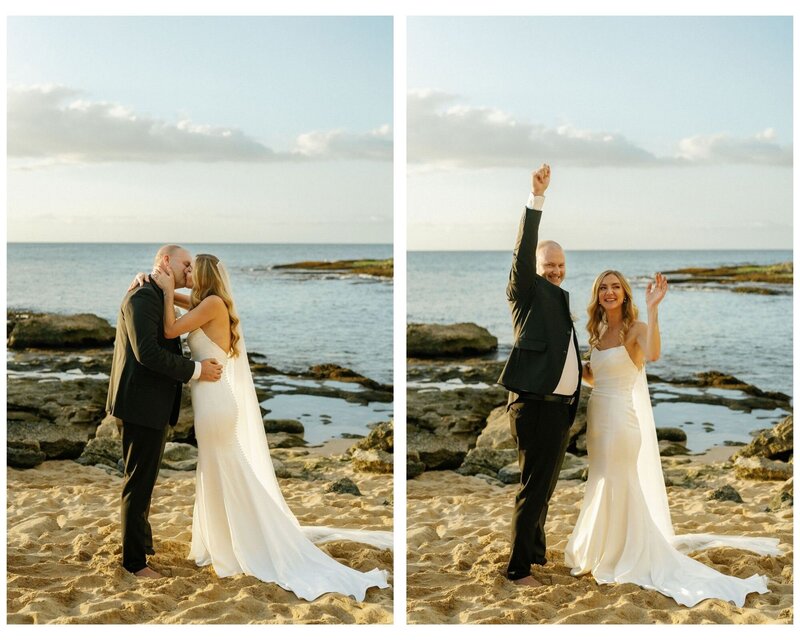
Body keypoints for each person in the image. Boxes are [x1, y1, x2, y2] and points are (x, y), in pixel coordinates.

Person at [140, 253, 391, 601]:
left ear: (201, 275)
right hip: (211, 401)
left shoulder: (211, 304)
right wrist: (157, 285)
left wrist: (165, 290)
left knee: (225, 468)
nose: (185, 274)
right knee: (216, 469)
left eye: (189, 270)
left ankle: (243, 543)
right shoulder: (210, 302)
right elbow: (182, 303)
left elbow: (169, 328)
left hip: (215, 404)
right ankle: (225, 541)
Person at [564, 269, 781, 607]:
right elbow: (597, 377)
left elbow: (652, 355)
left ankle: (625, 555)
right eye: (603, 287)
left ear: (624, 294)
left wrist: (653, 308)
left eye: (615, 287)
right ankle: (603, 549)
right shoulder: (598, 330)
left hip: (622, 421)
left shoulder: (636, 329)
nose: (609, 292)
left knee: (621, 481)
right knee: (602, 480)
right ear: (597, 295)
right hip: (597, 417)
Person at [106, 244, 223, 579]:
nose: (190, 270)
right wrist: (197, 370)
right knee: (138, 482)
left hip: (152, 403)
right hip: (141, 403)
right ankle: (134, 564)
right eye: (186, 263)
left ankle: (142, 547)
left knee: (146, 480)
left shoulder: (157, 294)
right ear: (165, 262)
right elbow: (148, 354)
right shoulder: (142, 297)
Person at [497, 164, 582, 586]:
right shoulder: (525, 290)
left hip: (559, 409)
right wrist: (536, 200)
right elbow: (523, 247)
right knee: (533, 489)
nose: (556, 270)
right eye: (549, 264)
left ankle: (535, 552)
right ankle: (517, 569)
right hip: (533, 406)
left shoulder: (559, 296)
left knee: (545, 488)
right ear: (534, 266)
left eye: (560, 264)